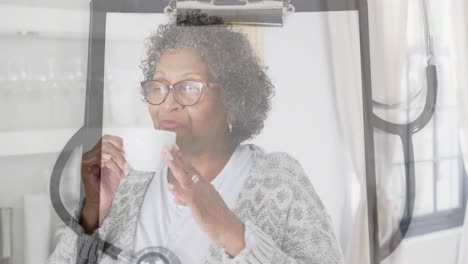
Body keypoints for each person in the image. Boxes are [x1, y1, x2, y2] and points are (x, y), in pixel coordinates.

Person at [48, 11, 344, 264]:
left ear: (232, 99)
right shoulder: (127, 181)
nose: (167, 103)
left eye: (189, 88)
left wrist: (233, 234)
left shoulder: (279, 180)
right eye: (159, 86)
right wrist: (91, 215)